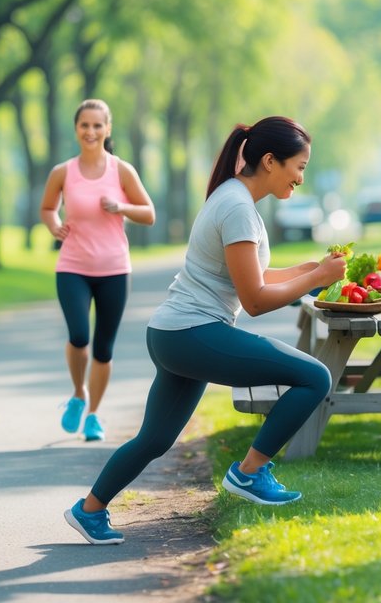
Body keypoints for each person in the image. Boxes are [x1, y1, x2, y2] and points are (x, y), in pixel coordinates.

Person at [63, 116, 346, 545]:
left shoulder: (234, 199)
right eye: (299, 166)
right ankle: (249, 473)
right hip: (193, 332)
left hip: (174, 333)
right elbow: (253, 301)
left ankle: (89, 509)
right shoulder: (236, 207)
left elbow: (254, 274)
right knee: (314, 377)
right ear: (270, 161)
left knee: (154, 439)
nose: (301, 178)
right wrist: (312, 278)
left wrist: (312, 270)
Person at [40, 99, 156, 442]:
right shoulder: (63, 172)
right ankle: (79, 393)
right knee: (79, 336)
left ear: (107, 130)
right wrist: (54, 225)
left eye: (97, 125)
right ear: (76, 129)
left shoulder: (121, 170)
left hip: (115, 269)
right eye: (84, 125)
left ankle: (93, 415)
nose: (90, 131)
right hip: (73, 267)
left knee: (103, 348)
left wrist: (120, 206)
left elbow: (148, 213)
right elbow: (48, 207)